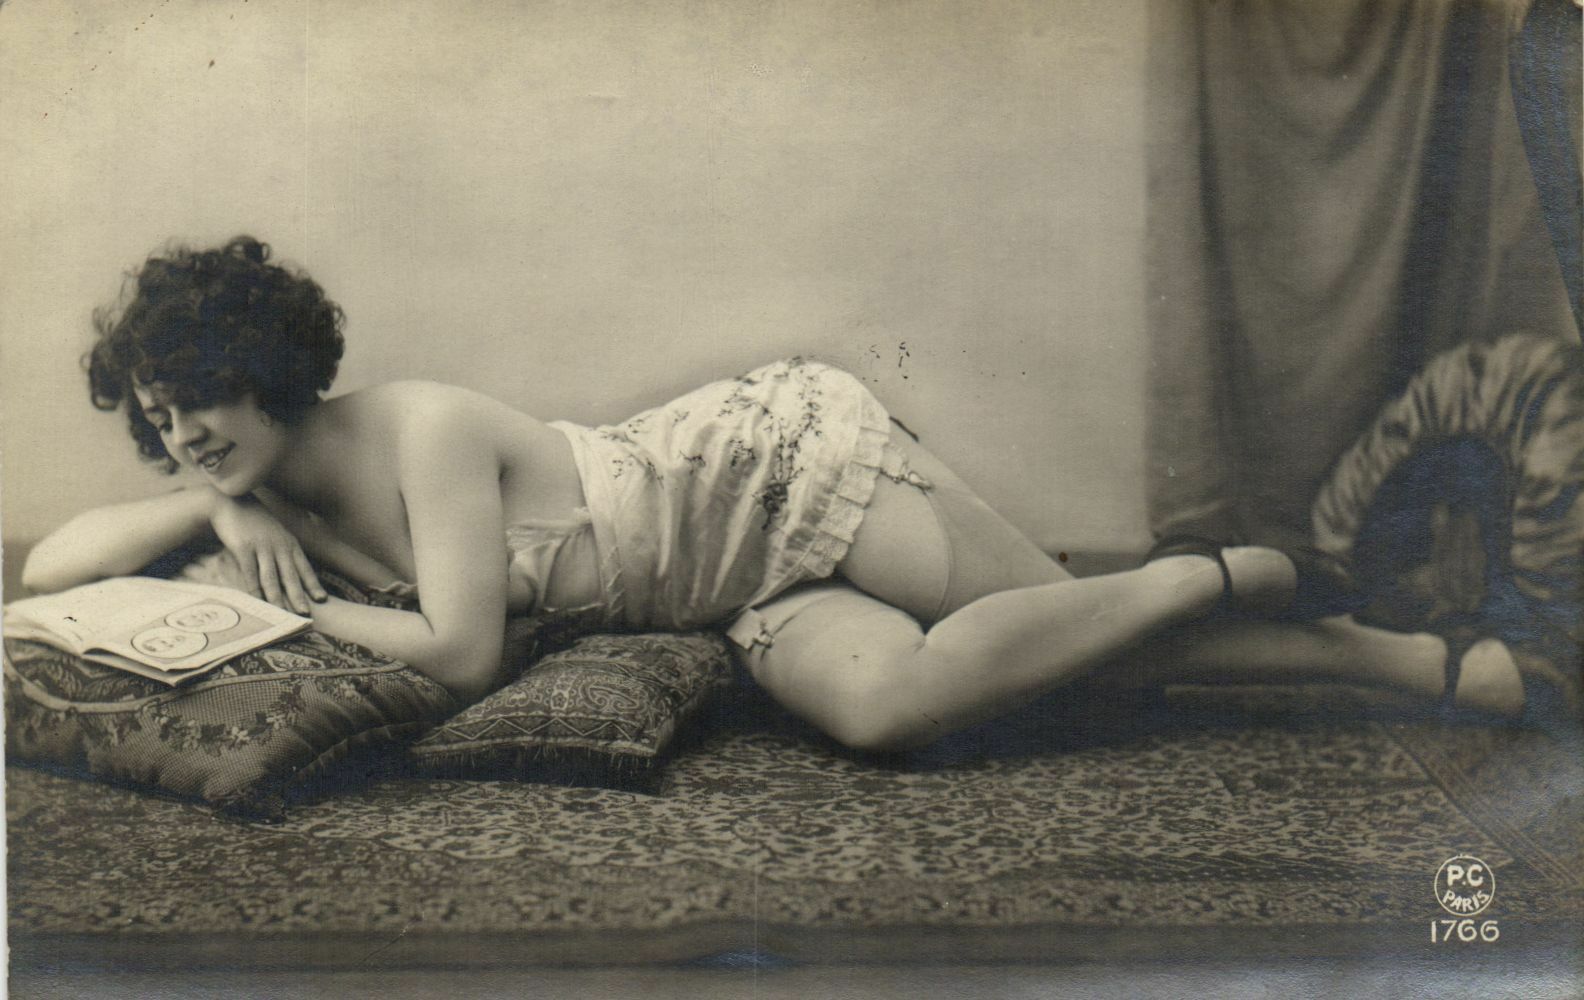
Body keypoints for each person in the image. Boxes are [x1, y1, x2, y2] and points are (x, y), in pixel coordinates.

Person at [22, 236, 1536, 749]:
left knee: (1082, 652)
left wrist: (298, 613)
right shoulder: (258, 501)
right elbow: (46, 571)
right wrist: (217, 511)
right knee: (899, 713)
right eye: (159, 418)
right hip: (720, 593)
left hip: (776, 469)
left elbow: (466, 654)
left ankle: (1356, 641)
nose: (184, 432)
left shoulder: (417, 431)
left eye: (200, 399)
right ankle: (1244, 594)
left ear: (265, 371)